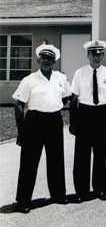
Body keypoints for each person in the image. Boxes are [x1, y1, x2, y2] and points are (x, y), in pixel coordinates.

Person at [12, 43, 71, 213]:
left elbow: (66, 97)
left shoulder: (61, 78)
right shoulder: (29, 80)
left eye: (50, 58)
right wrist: (21, 130)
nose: (47, 61)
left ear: (55, 61)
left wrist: (52, 106)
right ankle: (23, 200)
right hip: (34, 121)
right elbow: (19, 106)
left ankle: (58, 195)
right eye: (44, 58)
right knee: (29, 162)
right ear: (38, 59)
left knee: (56, 159)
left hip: (54, 120)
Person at [70, 40, 106, 202]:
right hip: (84, 114)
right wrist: (73, 122)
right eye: (93, 54)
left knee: (100, 155)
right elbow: (74, 99)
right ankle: (81, 191)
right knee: (82, 155)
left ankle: (100, 189)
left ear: (103, 55)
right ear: (88, 55)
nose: (96, 58)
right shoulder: (80, 73)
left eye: (99, 54)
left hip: (101, 115)